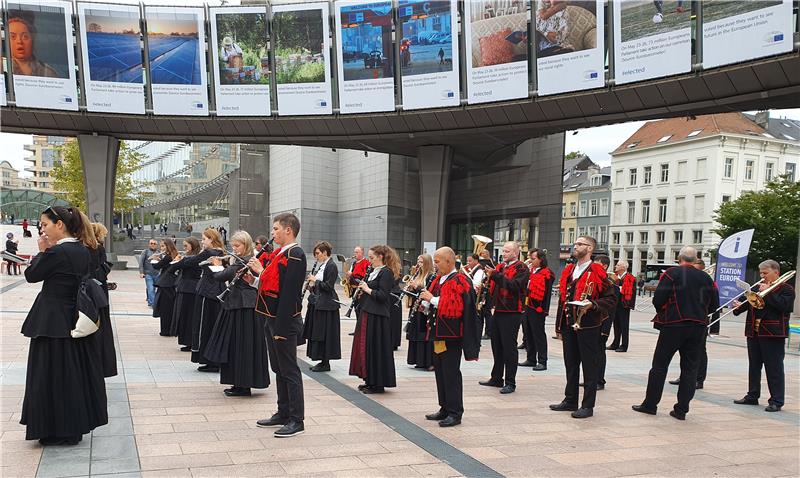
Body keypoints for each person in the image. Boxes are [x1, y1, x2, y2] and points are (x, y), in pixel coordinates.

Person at [20, 206, 107, 445]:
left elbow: (32, 275)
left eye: (45, 224)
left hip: (52, 319)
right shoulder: (83, 249)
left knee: (50, 374)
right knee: (70, 373)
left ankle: (55, 428)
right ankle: (71, 427)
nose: (42, 229)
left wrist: (41, 252)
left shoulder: (58, 252)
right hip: (72, 317)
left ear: (60, 225)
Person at [633, 246, 717, 420]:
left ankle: (650, 404)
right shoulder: (707, 278)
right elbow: (714, 305)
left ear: (679, 258)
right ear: (695, 260)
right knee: (690, 368)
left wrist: (666, 312)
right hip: (699, 326)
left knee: (659, 365)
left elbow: (659, 299)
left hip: (674, 324)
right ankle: (681, 409)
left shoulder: (672, 273)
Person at [248, 213, 307, 438]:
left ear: (288, 230)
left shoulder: (296, 254)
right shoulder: (280, 253)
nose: (272, 233)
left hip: (284, 321)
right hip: (271, 319)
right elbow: (271, 287)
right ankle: (283, 412)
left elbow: (289, 293)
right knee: (278, 369)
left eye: (275, 229)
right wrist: (254, 280)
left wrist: (281, 329)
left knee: (290, 370)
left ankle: (296, 419)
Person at [550, 236, 615, 419]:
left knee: (589, 366)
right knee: (570, 363)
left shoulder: (597, 270)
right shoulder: (570, 269)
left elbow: (611, 299)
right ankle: (570, 399)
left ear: (589, 248)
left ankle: (588, 405)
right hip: (569, 323)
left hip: (588, 325)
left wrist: (593, 304)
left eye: (579, 244)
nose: (575, 246)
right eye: (576, 243)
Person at [419, 247, 481, 427]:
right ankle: (444, 407)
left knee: (451, 373)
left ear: (449, 261)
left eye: (437, 261)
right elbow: (436, 302)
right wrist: (425, 304)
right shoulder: (439, 279)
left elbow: (456, 306)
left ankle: (455, 412)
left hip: (452, 336)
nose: (435, 265)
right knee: (440, 372)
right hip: (438, 333)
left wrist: (432, 299)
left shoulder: (460, 280)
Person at [205, 231, 269, 397]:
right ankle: (239, 383)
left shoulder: (246, 261)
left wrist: (217, 264)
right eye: (233, 245)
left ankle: (243, 385)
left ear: (246, 245)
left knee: (241, 347)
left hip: (242, 308)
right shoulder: (244, 261)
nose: (234, 248)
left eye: (237, 246)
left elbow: (220, 276)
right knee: (238, 346)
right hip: (241, 307)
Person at [731, 260, 794, 412]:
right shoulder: (758, 288)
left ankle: (776, 400)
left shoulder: (787, 289)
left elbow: (785, 307)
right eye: (761, 273)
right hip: (754, 332)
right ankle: (752, 396)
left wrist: (769, 292)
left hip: (773, 333)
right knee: (754, 366)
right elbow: (751, 302)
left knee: (774, 368)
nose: (762, 276)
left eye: (765, 273)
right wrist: (738, 307)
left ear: (776, 272)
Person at [479, 241, 529, 394]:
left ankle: (510, 382)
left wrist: (496, 275)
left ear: (515, 252)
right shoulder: (501, 267)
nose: (504, 254)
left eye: (507, 251)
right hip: (498, 310)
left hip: (512, 311)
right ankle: (496, 377)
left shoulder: (522, 268)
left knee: (509, 347)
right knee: (497, 346)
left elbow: (514, 285)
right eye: (504, 251)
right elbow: (496, 285)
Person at [349, 245, 400, 394]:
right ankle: (369, 379)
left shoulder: (386, 272)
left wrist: (367, 289)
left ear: (381, 257)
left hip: (377, 316)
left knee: (375, 348)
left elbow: (383, 296)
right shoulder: (372, 271)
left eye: (372, 257)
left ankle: (378, 383)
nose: (369, 261)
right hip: (367, 311)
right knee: (366, 348)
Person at [185, 229, 226, 371]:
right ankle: (212, 360)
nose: (202, 242)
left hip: (207, 293)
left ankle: (208, 360)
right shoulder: (221, 252)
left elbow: (191, 261)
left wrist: (182, 259)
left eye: (204, 239)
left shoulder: (210, 253)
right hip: (216, 292)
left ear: (211, 239)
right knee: (212, 326)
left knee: (204, 326)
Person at [302, 241, 341, 372]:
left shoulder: (331, 266)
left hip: (327, 305)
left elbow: (328, 287)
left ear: (325, 253)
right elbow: (319, 286)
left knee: (324, 333)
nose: (316, 256)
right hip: (318, 304)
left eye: (317, 253)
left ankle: (325, 362)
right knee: (317, 333)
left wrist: (315, 281)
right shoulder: (322, 265)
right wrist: (310, 287)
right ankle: (321, 360)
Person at [87, 221, 117, 378]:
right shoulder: (97, 248)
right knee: (101, 323)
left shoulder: (87, 248)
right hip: (98, 290)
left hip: (92, 289)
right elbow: (100, 270)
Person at [519, 249, 555, 371]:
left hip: (538, 307)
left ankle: (542, 361)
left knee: (538, 334)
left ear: (541, 259)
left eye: (533, 258)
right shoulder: (531, 271)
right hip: (527, 305)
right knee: (527, 332)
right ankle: (531, 358)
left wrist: (544, 309)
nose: (531, 260)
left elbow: (548, 293)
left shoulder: (547, 273)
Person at [171, 237, 201, 351]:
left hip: (189, 289)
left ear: (192, 246)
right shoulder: (193, 257)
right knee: (186, 316)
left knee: (188, 317)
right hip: (188, 289)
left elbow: (174, 267)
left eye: (186, 246)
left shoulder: (192, 258)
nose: (184, 248)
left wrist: (177, 259)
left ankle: (189, 342)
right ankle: (188, 341)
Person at [406, 254, 436, 371]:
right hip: (416, 306)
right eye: (418, 261)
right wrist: (410, 289)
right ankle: (418, 360)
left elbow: (427, 292)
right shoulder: (418, 274)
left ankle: (427, 361)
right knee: (416, 333)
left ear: (428, 263)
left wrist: (417, 287)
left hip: (425, 309)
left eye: (422, 262)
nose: (419, 264)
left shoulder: (431, 276)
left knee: (424, 334)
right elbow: (415, 293)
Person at [7, 13, 59, 77]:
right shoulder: (2, 67)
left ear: (32, 40)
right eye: (13, 37)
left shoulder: (47, 72)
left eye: (25, 37)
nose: (19, 41)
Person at [593, 255, 617, 390]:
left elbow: (611, 309)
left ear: (605, 266)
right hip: (593, 323)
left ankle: (599, 380)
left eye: (597, 264)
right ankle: (591, 378)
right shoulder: (596, 280)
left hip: (603, 323)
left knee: (599, 352)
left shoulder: (609, 283)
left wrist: (605, 329)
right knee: (591, 353)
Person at [152, 238, 180, 337]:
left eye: (163, 246)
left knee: (165, 309)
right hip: (171, 285)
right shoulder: (173, 256)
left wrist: (154, 260)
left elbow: (157, 266)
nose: (161, 248)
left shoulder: (168, 257)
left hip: (166, 285)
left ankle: (165, 330)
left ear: (168, 246)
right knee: (170, 308)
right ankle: (169, 329)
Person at [608, 260, 636, 352]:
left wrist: (619, 289)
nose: (616, 266)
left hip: (624, 305)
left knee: (624, 326)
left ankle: (624, 345)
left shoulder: (630, 277)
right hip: (615, 304)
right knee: (616, 325)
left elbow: (631, 292)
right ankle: (615, 344)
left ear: (623, 267)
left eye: (618, 265)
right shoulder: (615, 277)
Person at [139, 240, 160, 307]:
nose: (153, 245)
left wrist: (159, 259)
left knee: (153, 288)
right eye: (151, 243)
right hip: (148, 273)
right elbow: (141, 262)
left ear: (157, 245)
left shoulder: (159, 253)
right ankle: (153, 304)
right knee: (150, 288)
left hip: (157, 273)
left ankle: (149, 299)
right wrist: (141, 272)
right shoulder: (145, 252)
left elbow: (163, 262)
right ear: (149, 244)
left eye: (154, 243)